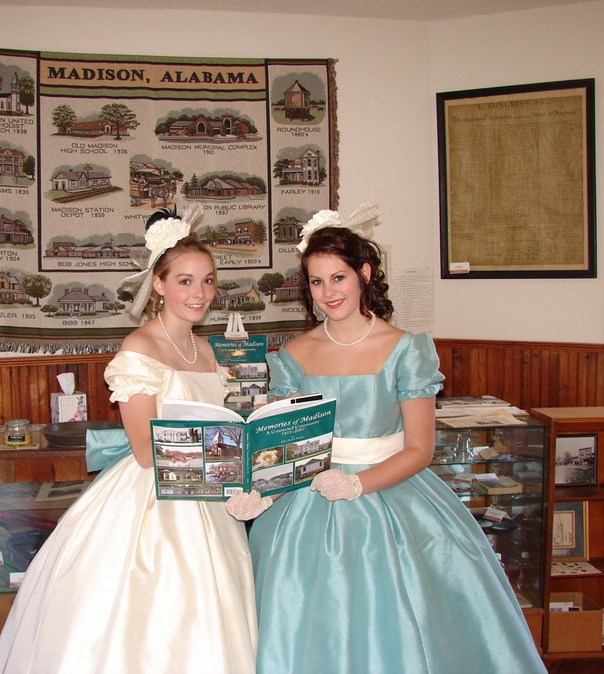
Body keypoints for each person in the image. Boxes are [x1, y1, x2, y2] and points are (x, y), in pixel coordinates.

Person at [227, 206, 546, 673]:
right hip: (305, 509)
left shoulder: (406, 350)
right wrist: (262, 494)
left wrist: (358, 485)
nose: (328, 292)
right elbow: (285, 449)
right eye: (316, 282)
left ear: (364, 274)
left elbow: (420, 449)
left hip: (390, 498)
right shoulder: (292, 355)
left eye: (338, 277)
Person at [0, 204, 257, 673]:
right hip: (157, 503)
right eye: (185, 281)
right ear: (159, 284)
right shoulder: (139, 348)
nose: (200, 293)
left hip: (212, 499)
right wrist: (226, 461)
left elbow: (223, 426)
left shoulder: (211, 350)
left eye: (208, 280)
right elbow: (145, 451)